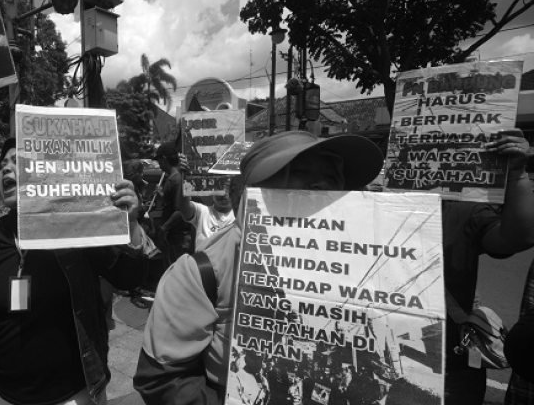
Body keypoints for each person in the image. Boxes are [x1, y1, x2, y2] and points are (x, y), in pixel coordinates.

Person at [0, 65, 156, 405]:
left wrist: (131, 223)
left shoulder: (75, 228)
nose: (7, 168)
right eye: (3, 165)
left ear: (45, 173)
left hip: (73, 395)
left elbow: (130, 277)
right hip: (0, 395)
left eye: (18, 162)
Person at [133, 130, 385, 404]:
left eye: (334, 178)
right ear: (255, 190)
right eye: (302, 175)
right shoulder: (200, 273)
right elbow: (162, 380)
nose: (325, 187)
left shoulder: (366, 264)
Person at [442, 130, 534, 405]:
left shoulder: (461, 211)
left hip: (452, 361)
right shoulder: (367, 208)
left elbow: (518, 237)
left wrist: (516, 174)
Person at [175, 156, 235, 249]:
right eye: (218, 187)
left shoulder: (241, 216)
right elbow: (183, 206)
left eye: (227, 188)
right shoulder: (202, 212)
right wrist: (185, 177)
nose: (223, 193)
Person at [154, 142, 193, 263]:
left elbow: (180, 210)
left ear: (164, 159)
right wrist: (162, 195)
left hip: (178, 237)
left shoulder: (175, 180)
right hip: (177, 236)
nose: (159, 164)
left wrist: (164, 228)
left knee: (178, 270)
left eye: (159, 160)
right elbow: (173, 204)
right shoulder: (175, 178)